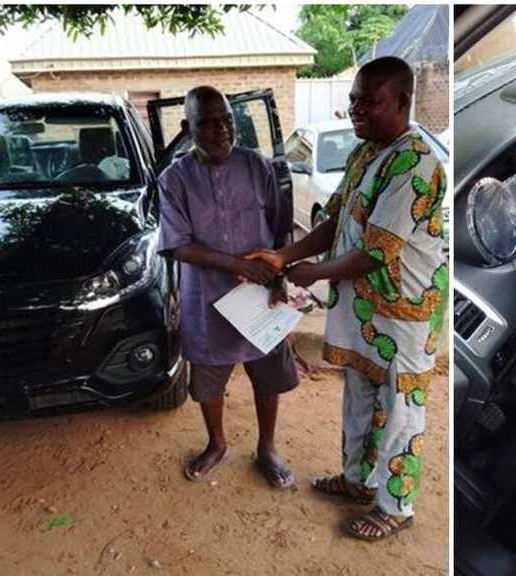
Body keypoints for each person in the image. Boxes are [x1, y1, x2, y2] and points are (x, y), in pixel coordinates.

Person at [248, 57, 446, 540]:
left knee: (401, 408)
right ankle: (359, 482)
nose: (356, 109)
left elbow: (375, 251)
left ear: (403, 101)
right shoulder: (366, 152)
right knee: (359, 396)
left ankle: (395, 506)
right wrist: (285, 256)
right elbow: (336, 221)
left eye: (369, 101)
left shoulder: (416, 161)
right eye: (354, 99)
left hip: (406, 313)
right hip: (364, 309)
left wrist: (310, 273)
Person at [157, 85, 300, 488]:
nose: (221, 130)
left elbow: (279, 226)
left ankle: (267, 448)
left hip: (260, 296)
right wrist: (237, 265)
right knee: (208, 382)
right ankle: (217, 443)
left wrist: (280, 276)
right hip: (206, 301)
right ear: (188, 128)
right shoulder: (174, 179)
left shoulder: (256, 166)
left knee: (267, 374)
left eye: (227, 121)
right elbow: (177, 244)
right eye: (208, 123)